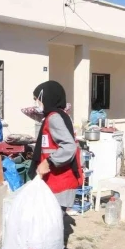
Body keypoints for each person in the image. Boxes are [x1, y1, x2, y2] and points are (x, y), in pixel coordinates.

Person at [28, 81, 83, 209]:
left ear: (46, 97)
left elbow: (69, 146)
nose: (37, 103)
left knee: (52, 224)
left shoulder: (54, 118)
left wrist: (48, 162)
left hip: (58, 180)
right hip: (57, 179)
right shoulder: (59, 115)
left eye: (38, 99)